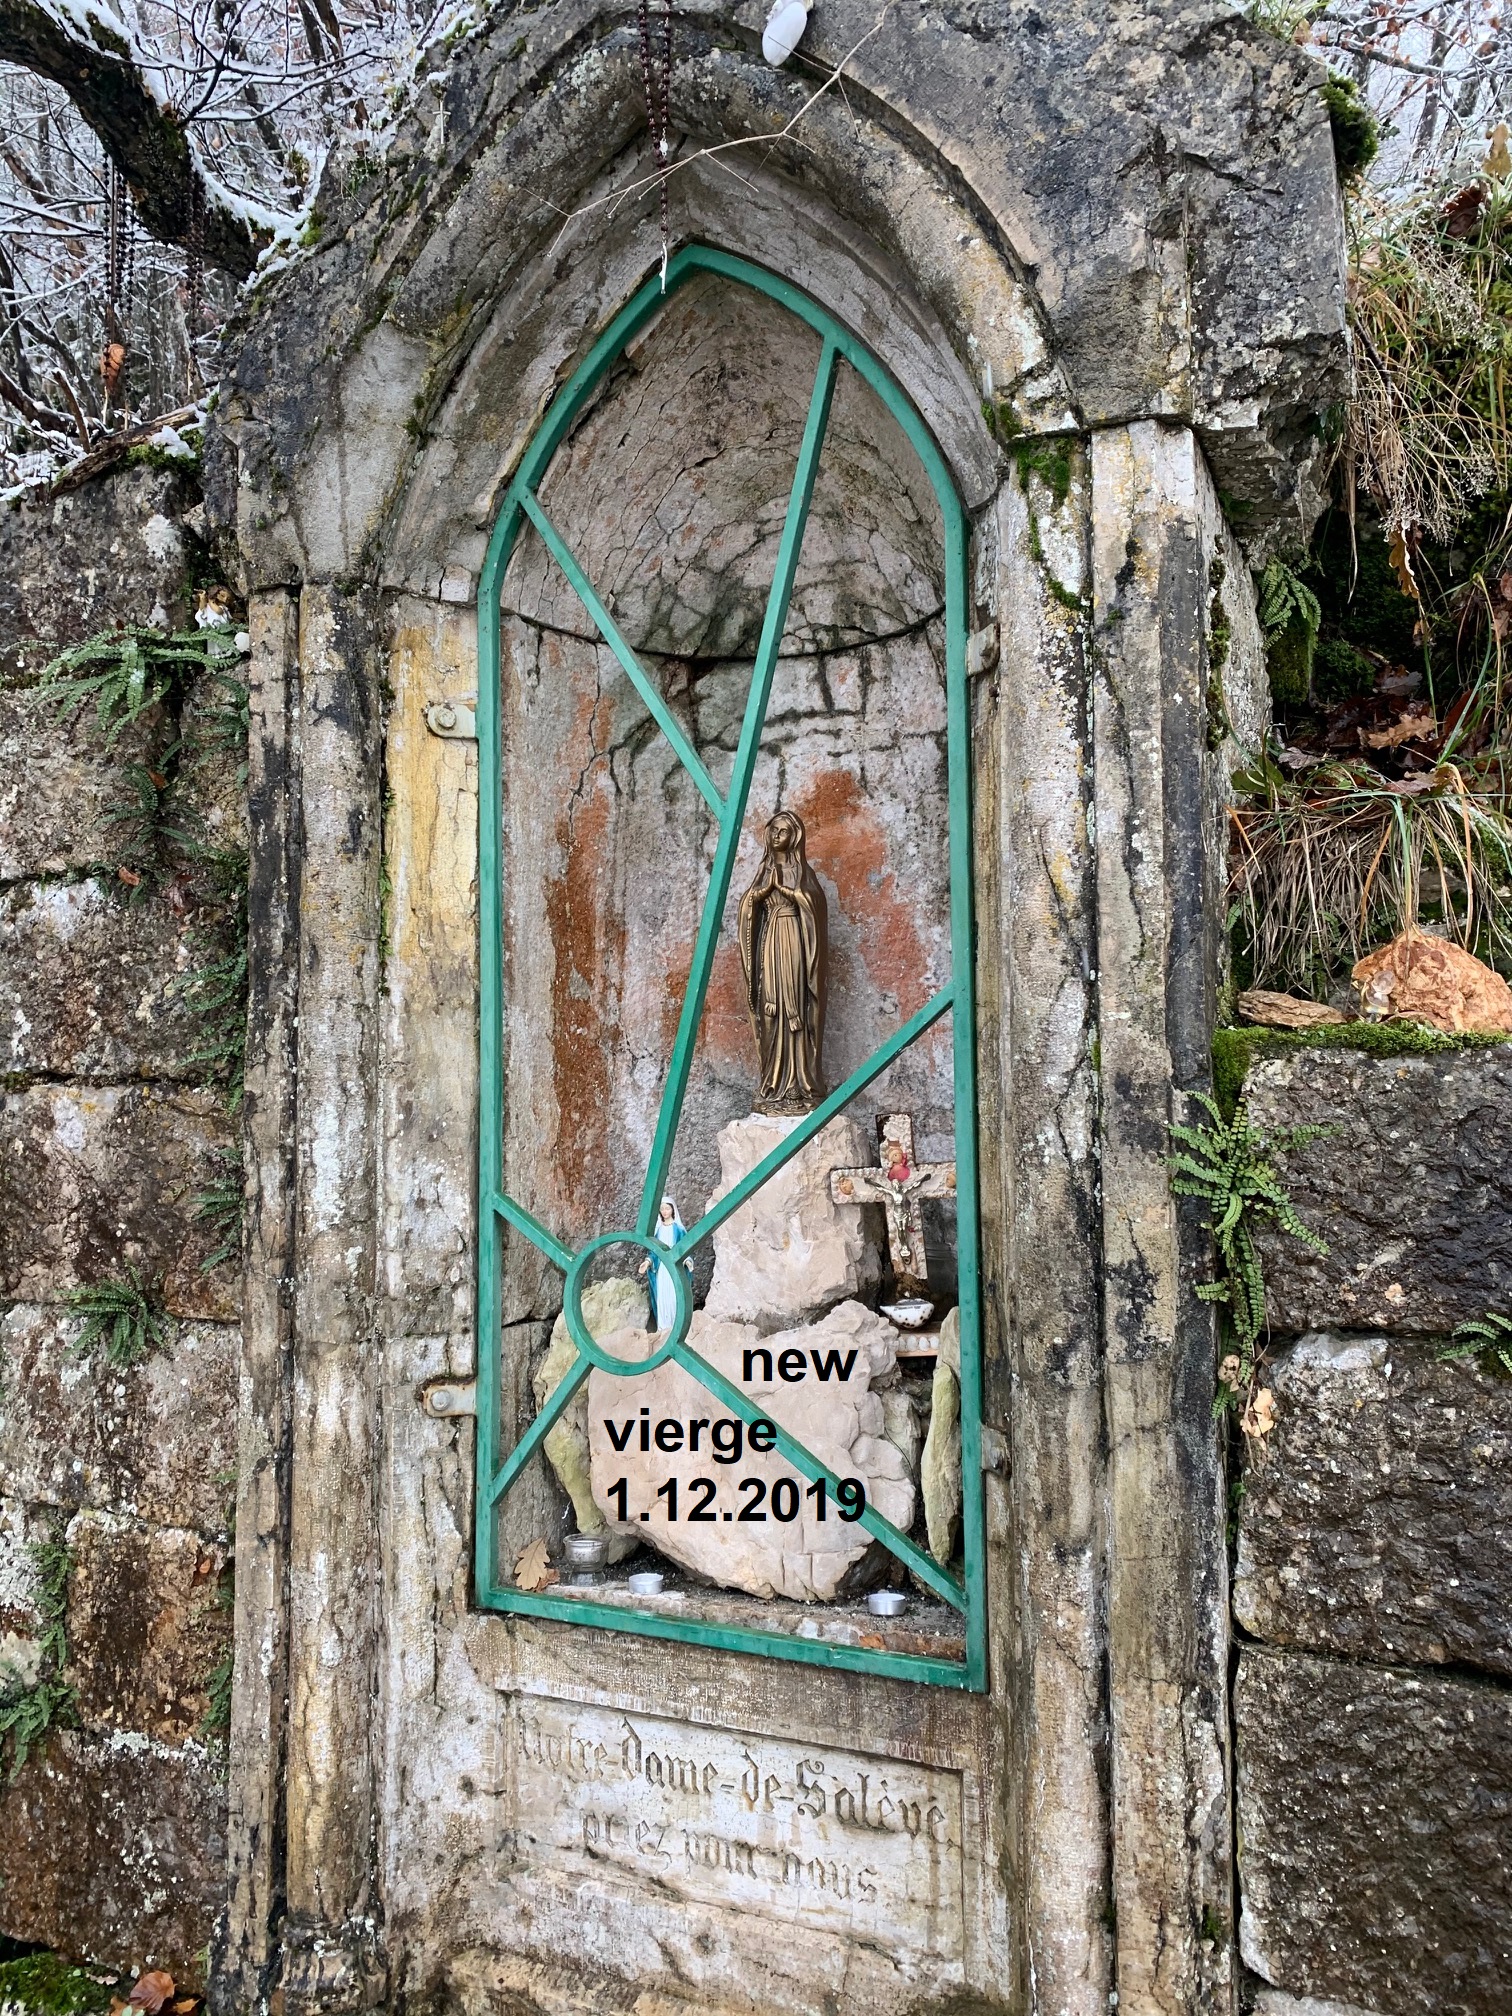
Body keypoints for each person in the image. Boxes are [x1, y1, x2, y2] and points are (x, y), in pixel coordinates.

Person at [639, 1195, 690, 1332]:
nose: (665, 1211)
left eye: (667, 1208)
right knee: (662, 1297)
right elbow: (654, 1251)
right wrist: (648, 1262)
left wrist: (687, 1260)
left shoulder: (679, 1229)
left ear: (673, 1209)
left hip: (674, 1267)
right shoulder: (658, 1230)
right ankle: (663, 1327)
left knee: (674, 1295)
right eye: (662, 1209)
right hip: (662, 1268)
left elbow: (684, 1248)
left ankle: (676, 1325)